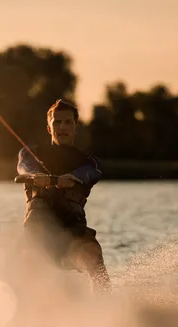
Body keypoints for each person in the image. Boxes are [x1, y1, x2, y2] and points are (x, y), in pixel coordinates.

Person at [16, 99, 110, 293]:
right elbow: (23, 166)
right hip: (39, 235)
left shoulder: (89, 163)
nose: (62, 127)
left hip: (72, 236)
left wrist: (74, 178)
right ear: (49, 128)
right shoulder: (31, 154)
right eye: (57, 122)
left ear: (76, 127)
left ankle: (105, 308)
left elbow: (91, 173)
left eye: (68, 122)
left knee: (93, 255)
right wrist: (35, 176)